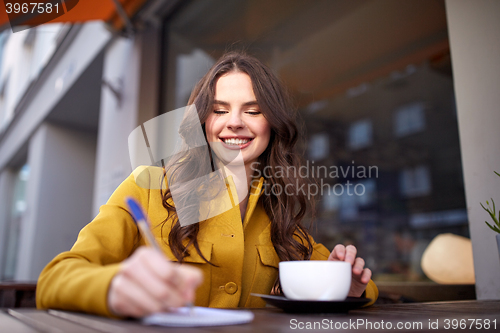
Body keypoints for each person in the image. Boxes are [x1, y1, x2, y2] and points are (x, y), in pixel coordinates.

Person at [36, 52, 378, 318]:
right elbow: (54, 280)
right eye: (219, 110)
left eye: (254, 110)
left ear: (272, 125)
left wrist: (348, 286)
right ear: (201, 121)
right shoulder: (147, 187)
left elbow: (364, 287)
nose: (235, 123)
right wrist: (113, 288)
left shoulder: (281, 211)